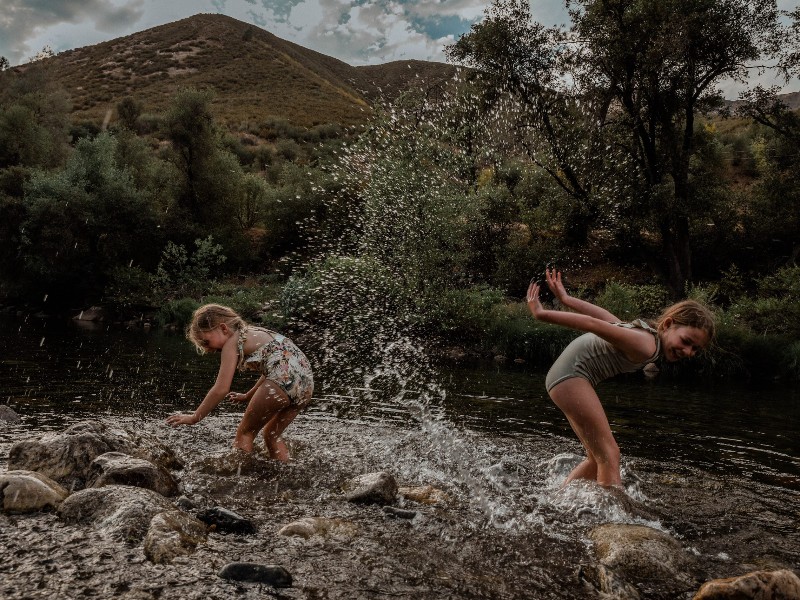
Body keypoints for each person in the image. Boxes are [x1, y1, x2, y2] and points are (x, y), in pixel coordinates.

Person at [527, 269, 715, 487]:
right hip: (571, 377)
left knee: (597, 459)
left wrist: (568, 299)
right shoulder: (646, 345)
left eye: (695, 349)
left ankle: (558, 500)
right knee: (610, 455)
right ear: (668, 324)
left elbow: (605, 317)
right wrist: (541, 314)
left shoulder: (644, 336)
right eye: (686, 341)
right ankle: (614, 516)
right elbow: (593, 324)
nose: (688, 351)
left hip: (565, 378)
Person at [166, 303, 314, 460]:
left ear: (223, 328)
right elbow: (279, 369)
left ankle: (240, 477)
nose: (208, 350)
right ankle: (286, 475)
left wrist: (195, 417)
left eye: (206, 342)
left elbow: (221, 388)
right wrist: (248, 395)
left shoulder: (232, 342)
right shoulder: (255, 332)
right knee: (272, 434)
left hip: (283, 379)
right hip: (306, 384)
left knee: (245, 433)